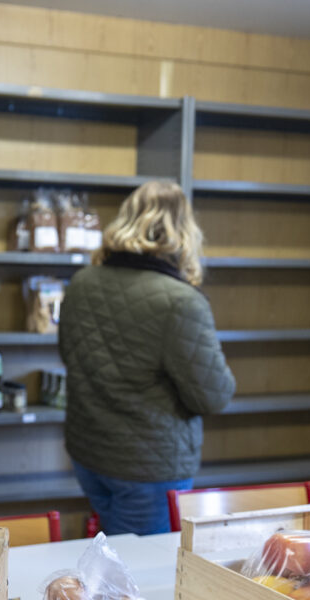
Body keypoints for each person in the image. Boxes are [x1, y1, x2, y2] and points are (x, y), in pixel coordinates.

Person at [58, 180, 235, 535]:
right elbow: (214, 396)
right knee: (142, 577)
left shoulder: (82, 282)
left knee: (113, 561)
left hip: (89, 455)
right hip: (149, 469)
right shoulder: (180, 301)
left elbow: (70, 356)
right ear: (185, 230)